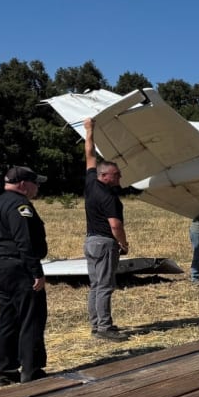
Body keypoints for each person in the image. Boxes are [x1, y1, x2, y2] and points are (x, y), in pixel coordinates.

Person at [0, 166, 49, 386]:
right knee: (31, 317)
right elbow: (25, 241)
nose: (37, 187)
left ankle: (6, 371)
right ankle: (31, 370)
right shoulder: (19, 205)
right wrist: (36, 272)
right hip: (19, 268)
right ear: (23, 184)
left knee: (8, 318)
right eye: (35, 183)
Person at [83, 118, 129, 342]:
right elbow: (115, 225)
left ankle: (96, 324)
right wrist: (123, 243)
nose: (119, 177)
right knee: (105, 286)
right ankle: (104, 327)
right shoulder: (109, 196)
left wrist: (89, 130)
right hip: (104, 243)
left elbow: (89, 154)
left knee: (95, 284)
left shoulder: (91, 182)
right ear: (105, 176)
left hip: (90, 241)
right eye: (116, 174)